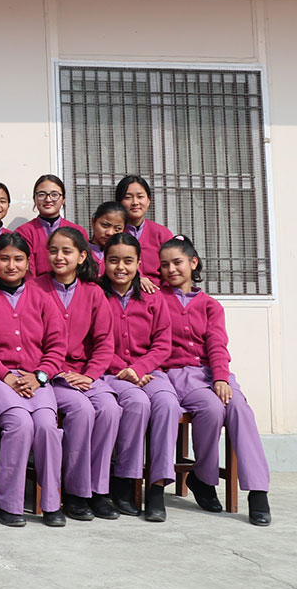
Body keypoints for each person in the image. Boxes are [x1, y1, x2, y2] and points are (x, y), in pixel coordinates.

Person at [159, 235, 271, 526]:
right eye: (165, 265)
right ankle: (203, 478)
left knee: (238, 408)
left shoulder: (210, 305)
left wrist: (221, 377)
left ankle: (258, 490)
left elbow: (218, 345)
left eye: (178, 262)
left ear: (193, 263)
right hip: (180, 373)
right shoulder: (157, 300)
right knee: (210, 407)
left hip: (214, 371)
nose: (171, 269)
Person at [0, 231, 67, 527]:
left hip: (36, 376)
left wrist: (40, 375)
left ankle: (51, 501)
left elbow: (57, 345)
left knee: (47, 426)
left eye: (18, 259)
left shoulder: (44, 298)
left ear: (28, 262)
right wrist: (5, 375)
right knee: (20, 423)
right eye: (4, 258)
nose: (11, 265)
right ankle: (8, 503)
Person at [36, 227, 121, 521]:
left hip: (86, 374)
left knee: (110, 408)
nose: (59, 257)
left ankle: (98, 490)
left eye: (67, 251)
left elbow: (104, 341)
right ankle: (74, 491)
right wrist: (54, 371)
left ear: (82, 255)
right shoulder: (35, 288)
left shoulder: (94, 292)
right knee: (82, 410)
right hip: (52, 374)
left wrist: (91, 375)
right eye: (54, 251)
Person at [99, 232, 180, 522]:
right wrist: (126, 369)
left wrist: (140, 368)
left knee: (168, 405)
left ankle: (156, 489)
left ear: (139, 264)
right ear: (103, 262)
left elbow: (163, 343)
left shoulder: (152, 296)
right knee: (136, 404)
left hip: (150, 370)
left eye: (128, 261)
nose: (120, 267)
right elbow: (91, 343)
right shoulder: (95, 294)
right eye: (113, 260)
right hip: (111, 372)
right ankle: (124, 481)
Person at [14, 174, 87, 277]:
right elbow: (27, 271)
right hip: (36, 289)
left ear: (63, 199)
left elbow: (83, 268)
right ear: (34, 199)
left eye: (54, 194)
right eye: (42, 194)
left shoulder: (78, 231)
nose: (48, 199)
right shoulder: (24, 232)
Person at [117, 175, 173, 290]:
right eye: (128, 197)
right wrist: (136, 278)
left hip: (158, 295)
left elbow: (171, 270)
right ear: (119, 202)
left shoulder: (162, 234)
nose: (135, 202)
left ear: (148, 200)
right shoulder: (113, 233)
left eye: (140, 196)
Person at [88, 201, 128, 274]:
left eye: (118, 228)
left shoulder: (126, 255)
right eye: (105, 225)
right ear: (93, 223)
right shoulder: (81, 251)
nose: (110, 233)